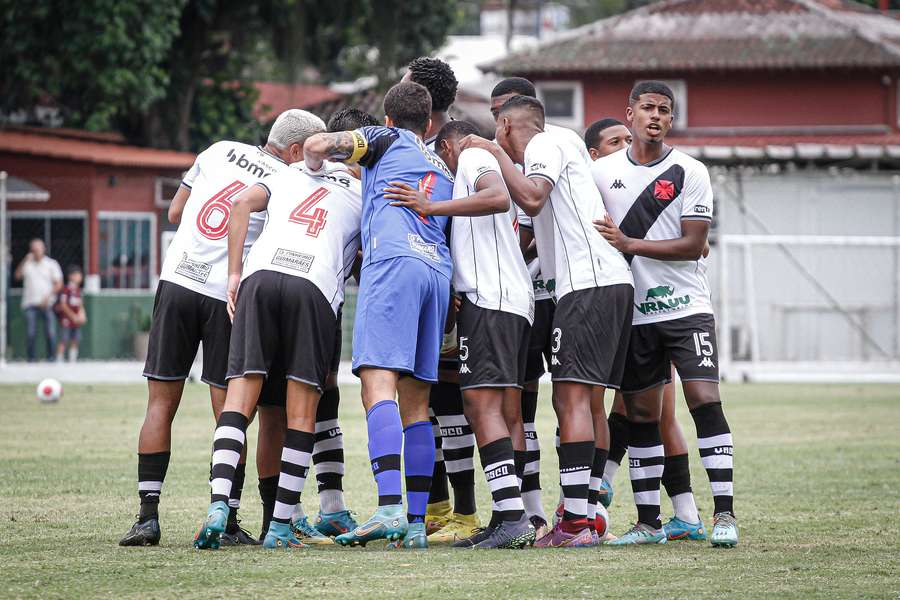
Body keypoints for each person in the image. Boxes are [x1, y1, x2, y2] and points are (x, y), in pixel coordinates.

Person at [119, 109, 317, 547]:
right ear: (298, 150)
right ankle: (226, 518)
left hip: (176, 282)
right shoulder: (286, 180)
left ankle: (147, 518)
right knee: (232, 413)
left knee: (159, 404)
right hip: (227, 296)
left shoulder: (217, 150)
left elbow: (175, 212)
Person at [463, 95, 634, 548]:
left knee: (570, 399)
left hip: (589, 284)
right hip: (608, 281)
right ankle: (587, 513)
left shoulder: (540, 144)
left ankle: (574, 523)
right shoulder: (567, 144)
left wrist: (495, 152)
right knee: (590, 402)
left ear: (504, 124)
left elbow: (534, 199)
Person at [193, 124, 362, 550]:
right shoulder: (363, 192)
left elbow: (241, 204)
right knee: (300, 413)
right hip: (314, 286)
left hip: (260, 276)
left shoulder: (288, 173)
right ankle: (281, 526)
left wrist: (234, 274)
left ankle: (218, 504)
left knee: (239, 399)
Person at [302, 81, 455, 549]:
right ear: (430, 124)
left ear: (387, 120)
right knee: (417, 402)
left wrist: (314, 165)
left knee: (377, 384)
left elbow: (317, 144)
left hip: (394, 265)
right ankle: (414, 525)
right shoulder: (439, 162)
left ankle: (388, 506)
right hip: (437, 272)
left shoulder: (385, 140)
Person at [591, 81, 738, 547]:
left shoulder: (689, 170)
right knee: (641, 415)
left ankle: (725, 517)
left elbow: (695, 243)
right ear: (629, 113)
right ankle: (649, 522)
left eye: (664, 110)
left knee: (703, 399)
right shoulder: (602, 171)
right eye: (647, 108)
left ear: (671, 120)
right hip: (632, 312)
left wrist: (631, 243)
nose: (655, 116)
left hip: (686, 308)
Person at [386, 120, 536, 549]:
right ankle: (511, 514)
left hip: (491, 298)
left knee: (479, 403)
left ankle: (511, 518)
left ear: (448, 146)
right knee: (507, 410)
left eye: (442, 159)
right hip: (509, 296)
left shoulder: (472, 154)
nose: (444, 172)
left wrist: (428, 206)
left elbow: (497, 196)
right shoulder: (473, 160)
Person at [403, 56, 480, 543]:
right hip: (424, 288)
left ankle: (466, 512)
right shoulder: (421, 149)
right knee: (421, 399)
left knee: (447, 398)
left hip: (448, 292)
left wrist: (450, 283)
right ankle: (437, 507)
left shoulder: (450, 153)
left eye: (406, 86)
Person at [15, 238, 62, 362]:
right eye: (33, 249)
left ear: (43, 249)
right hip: (30, 303)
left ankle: (51, 358)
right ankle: (31, 359)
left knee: (50, 332)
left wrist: (48, 297)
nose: (36, 251)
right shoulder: (27, 264)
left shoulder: (51, 264)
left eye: (38, 249)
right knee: (31, 333)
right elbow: (17, 276)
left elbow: (58, 284)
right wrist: (25, 260)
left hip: (47, 304)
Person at [55, 265, 86, 362]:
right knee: (63, 340)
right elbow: (63, 305)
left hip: (76, 322)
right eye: (77, 275)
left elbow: (80, 305)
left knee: (75, 339)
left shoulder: (77, 290)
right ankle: (59, 360)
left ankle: (72, 360)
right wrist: (73, 316)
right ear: (71, 276)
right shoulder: (66, 289)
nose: (80, 277)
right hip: (67, 320)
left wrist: (82, 316)